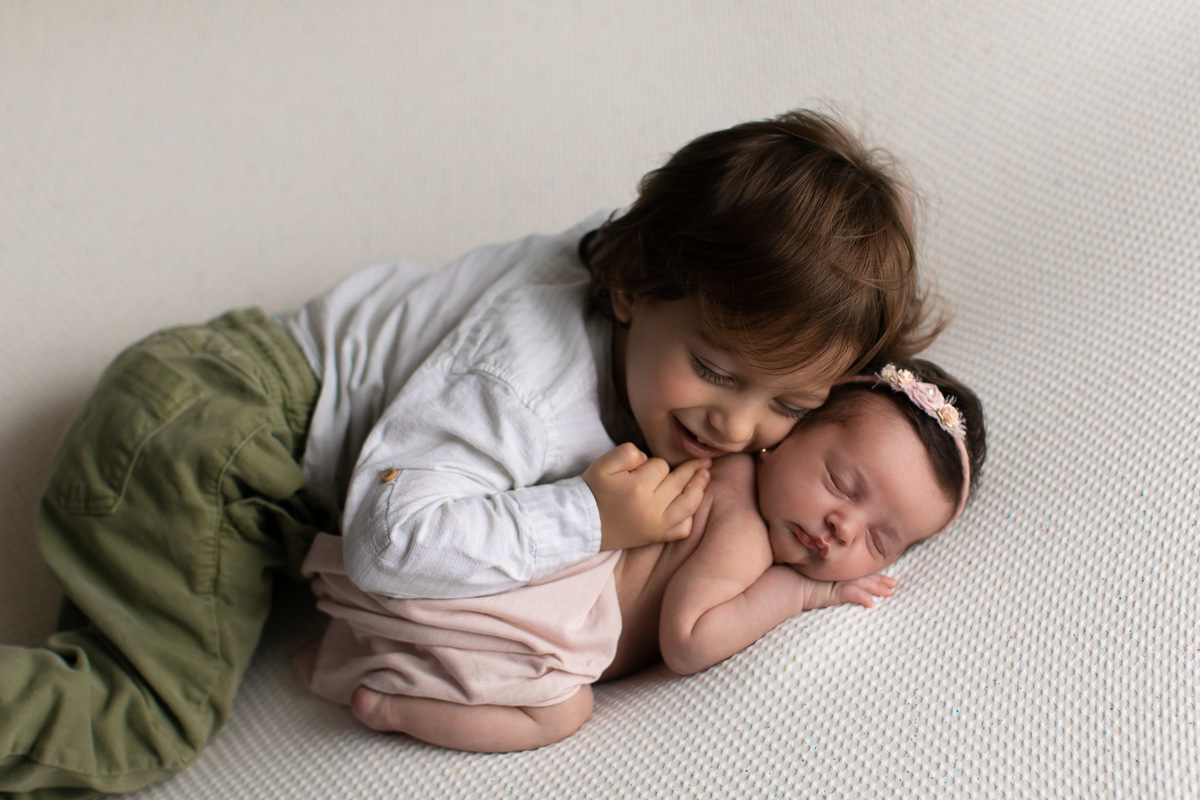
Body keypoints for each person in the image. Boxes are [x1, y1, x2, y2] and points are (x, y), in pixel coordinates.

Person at [0, 109, 943, 798]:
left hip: (221, 416)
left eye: (789, 404)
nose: (737, 428)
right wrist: (587, 515)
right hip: (220, 434)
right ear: (627, 286)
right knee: (132, 721)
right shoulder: (524, 386)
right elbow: (387, 542)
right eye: (713, 368)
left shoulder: (652, 291)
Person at [298, 359, 987, 753]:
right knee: (560, 715)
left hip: (525, 590)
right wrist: (801, 595)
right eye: (841, 484)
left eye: (879, 541)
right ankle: (392, 709)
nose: (841, 527)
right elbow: (689, 640)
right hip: (537, 618)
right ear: (789, 432)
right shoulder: (742, 521)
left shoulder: (741, 481)